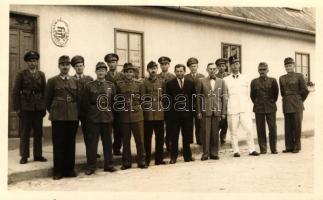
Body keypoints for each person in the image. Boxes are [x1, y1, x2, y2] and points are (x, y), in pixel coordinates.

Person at [45, 55, 79, 180]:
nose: (65, 67)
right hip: (58, 116)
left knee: (70, 143)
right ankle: (58, 171)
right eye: (62, 64)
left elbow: (78, 98)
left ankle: (69, 169)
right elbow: (47, 101)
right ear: (59, 66)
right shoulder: (52, 81)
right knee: (58, 143)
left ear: (70, 66)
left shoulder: (75, 81)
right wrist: (55, 111)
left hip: (72, 116)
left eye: (67, 64)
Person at [81, 62, 117, 175]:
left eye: (103, 70)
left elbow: (114, 102)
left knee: (107, 143)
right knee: (92, 144)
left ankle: (109, 165)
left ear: (106, 72)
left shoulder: (111, 86)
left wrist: (111, 116)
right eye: (99, 70)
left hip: (107, 117)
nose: (101, 72)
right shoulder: (89, 85)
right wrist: (90, 116)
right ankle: (91, 166)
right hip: (94, 118)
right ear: (95, 72)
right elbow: (85, 103)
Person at [12, 50, 47, 164]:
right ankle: (24, 155)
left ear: (37, 62)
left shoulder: (41, 74)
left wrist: (44, 107)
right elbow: (16, 92)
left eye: (35, 60)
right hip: (26, 107)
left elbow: (44, 91)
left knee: (38, 132)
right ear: (27, 62)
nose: (33, 63)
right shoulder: (21, 74)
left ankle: (38, 155)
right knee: (25, 132)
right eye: (31, 61)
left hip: (38, 108)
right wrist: (17, 108)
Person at [223, 56, 259, 157]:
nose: (236, 66)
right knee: (233, 131)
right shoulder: (225, 80)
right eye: (233, 64)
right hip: (232, 109)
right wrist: (227, 109)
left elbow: (249, 94)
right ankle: (236, 151)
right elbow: (225, 95)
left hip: (244, 108)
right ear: (230, 66)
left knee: (249, 129)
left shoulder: (246, 78)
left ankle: (251, 149)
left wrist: (248, 108)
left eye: (237, 64)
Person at [116, 63, 147, 170]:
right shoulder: (119, 85)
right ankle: (126, 162)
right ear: (123, 73)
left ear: (133, 73)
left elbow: (143, 99)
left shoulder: (139, 84)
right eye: (126, 72)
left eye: (130, 72)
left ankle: (142, 161)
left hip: (137, 115)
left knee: (140, 140)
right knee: (125, 140)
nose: (129, 74)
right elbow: (118, 100)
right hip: (124, 115)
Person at [196, 63, 227, 160]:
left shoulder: (221, 81)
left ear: (216, 70)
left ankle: (214, 153)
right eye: (210, 69)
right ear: (207, 70)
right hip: (206, 110)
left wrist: (223, 112)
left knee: (215, 133)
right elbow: (198, 97)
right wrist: (199, 111)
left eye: (214, 69)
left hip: (217, 110)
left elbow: (224, 98)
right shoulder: (201, 81)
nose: (212, 70)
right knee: (206, 132)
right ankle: (205, 153)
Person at [166, 64, 196, 164]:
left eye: (181, 71)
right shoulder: (170, 83)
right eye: (177, 71)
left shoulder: (190, 83)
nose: (179, 73)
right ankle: (173, 157)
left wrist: (192, 112)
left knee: (186, 136)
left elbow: (193, 99)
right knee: (174, 137)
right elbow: (168, 100)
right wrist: (169, 114)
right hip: (174, 116)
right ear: (175, 72)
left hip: (187, 115)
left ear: (184, 71)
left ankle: (187, 156)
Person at [279, 57, 309, 153]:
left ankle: (297, 146)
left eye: (290, 65)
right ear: (285, 67)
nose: (288, 67)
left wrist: (299, 100)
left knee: (296, 126)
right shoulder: (282, 78)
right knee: (288, 126)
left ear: (293, 66)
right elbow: (282, 92)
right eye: (286, 66)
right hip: (287, 104)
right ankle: (289, 146)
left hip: (296, 104)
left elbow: (305, 90)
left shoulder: (299, 76)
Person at [250, 62, 279, 154]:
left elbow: (275, 94)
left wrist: (270, 102)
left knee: (272, 128)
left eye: (264, 69)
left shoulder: (273, 80)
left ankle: (273, 148)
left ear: (267, 70)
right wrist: (258, 102)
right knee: (260, 128)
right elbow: (252, 96)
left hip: (270, 106)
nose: (262, 71)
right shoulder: (254, 82)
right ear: (258, 71)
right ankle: (263, 149)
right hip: (259, 107)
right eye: (260, 70)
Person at [142, 61, 167, 166]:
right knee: (147, 138)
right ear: (148, 70)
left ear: (157, 70)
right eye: (151, 68)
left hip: (159, 114)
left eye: (155, 68)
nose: (153, 70)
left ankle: (159, 159)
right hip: (148, 115)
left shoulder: (162, 82)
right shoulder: (143, 83)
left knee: (160, 138)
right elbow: (143, 99)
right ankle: (147, 159)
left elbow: (165, 98)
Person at [70, 55, 95, 156]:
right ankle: (70, 155)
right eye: (77, 66)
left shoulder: (89, 79)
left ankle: (91, 153)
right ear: (74, 68)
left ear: (84, 66)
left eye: (81, 65)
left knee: (89, 134)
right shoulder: (70, 79)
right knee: (71, 134)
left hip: (86, 112)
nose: (79, 67)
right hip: (74, 111)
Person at [104, 53, 124, 156]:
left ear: (117, 63)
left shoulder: (122, 75)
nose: (111, 64)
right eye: (109, 62)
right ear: (107, 64)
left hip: (120, 106)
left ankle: (117, 148)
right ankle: (107, 149)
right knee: (107, 129)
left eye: (113, 62)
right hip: (108, 106)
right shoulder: (104, 75)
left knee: (119, 128)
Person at [184, 57, 205, 145]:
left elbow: (204, 90)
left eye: (195, 66)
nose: (193, 68)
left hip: (198, 103)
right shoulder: (186, 77)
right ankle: (189, 140)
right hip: (189, 103)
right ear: (189, 67)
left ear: (197, 66)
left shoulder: (202, 77)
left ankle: (199, 139)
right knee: (188, 122)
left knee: (199, 122)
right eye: (191, 66)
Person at [157, 56, 175, 152]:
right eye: (162, 64)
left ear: (169, 65)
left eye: (166, 64)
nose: (164, 66)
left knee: (170, 126)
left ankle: (169, 143)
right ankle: (160, 145)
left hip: (169, 105)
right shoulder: (157, 77)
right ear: (160, 66)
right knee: (160, 126)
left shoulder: (172, 77)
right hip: (159, 105)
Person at [215, 58, 230, 145]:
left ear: (225, 66)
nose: (221, 68)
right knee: (218, 118)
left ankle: (223, 136)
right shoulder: (215, 76)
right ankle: (215, 135)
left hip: (227, 100)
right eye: (219, 66)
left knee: (226, 120)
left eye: (223, 66)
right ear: (217, 67)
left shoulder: (229, 75)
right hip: (218, 100)